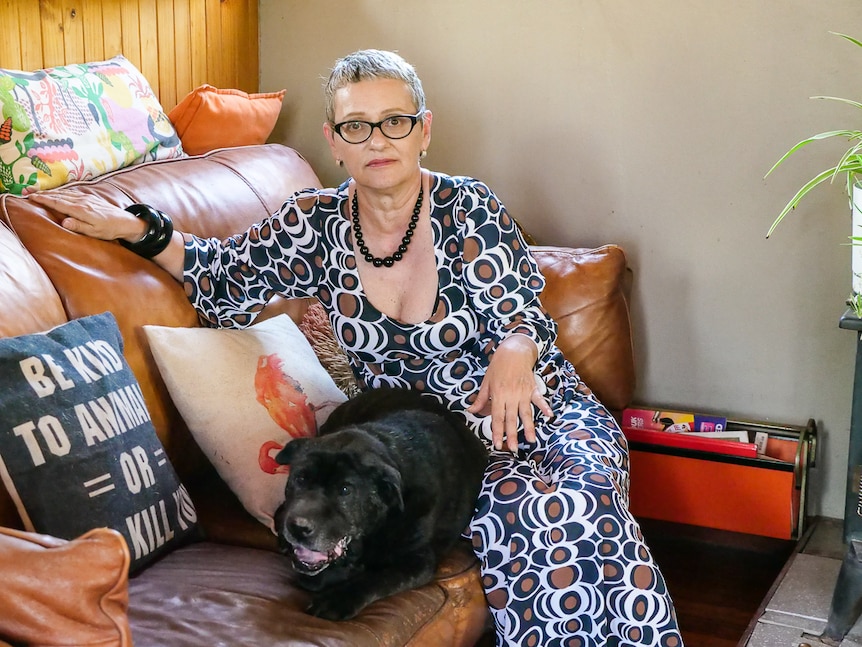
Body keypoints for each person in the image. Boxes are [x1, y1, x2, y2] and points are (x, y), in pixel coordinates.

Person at [33, 49, 683, 647]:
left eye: (395, 122)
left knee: (579, 495)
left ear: (423, 130)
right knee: (536, 511)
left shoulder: (468, 208)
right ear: (334, 143)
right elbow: (221, 272)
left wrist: (515, 347)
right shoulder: (312, 224)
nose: (377, 140)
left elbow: (518, 309)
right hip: (438, 449)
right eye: (357, 126)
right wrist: (136, 228)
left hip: (539, 410)